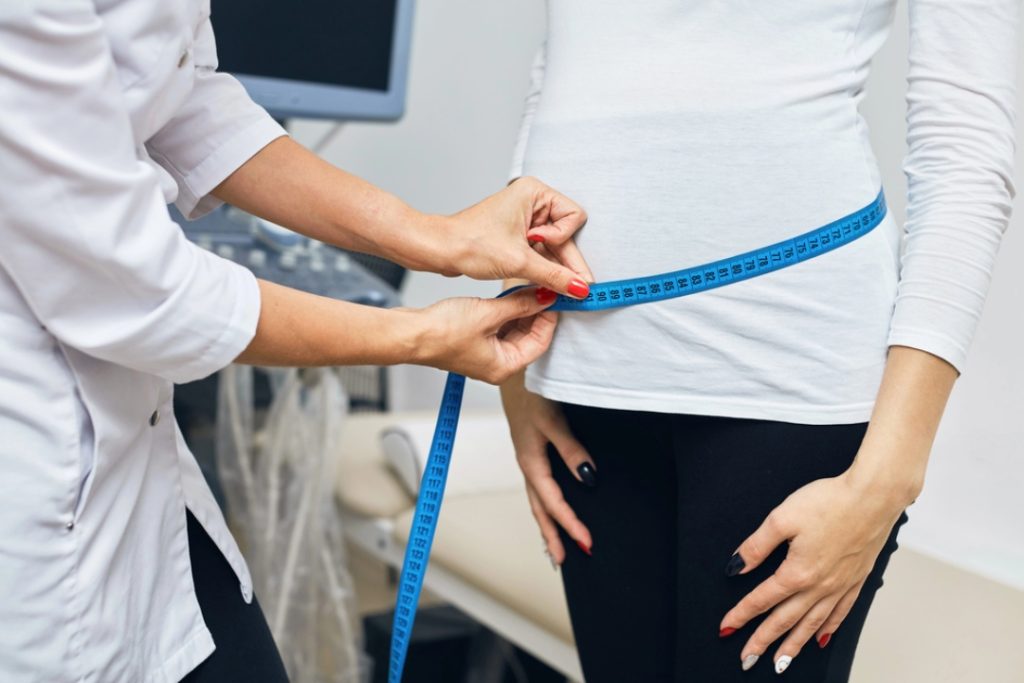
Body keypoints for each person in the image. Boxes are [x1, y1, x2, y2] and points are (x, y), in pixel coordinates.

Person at [0, 2, 593, 681]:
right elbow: (139, 290)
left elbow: (179, 95)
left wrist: (436, 235)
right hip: (36, 481)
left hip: (133, 455)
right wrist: (423, 335)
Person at [501, 1, 1018, 681]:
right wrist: (513, 339)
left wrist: (887, 477)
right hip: (582, 377)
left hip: (788, 383)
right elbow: (563, 67)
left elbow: (966, 148)